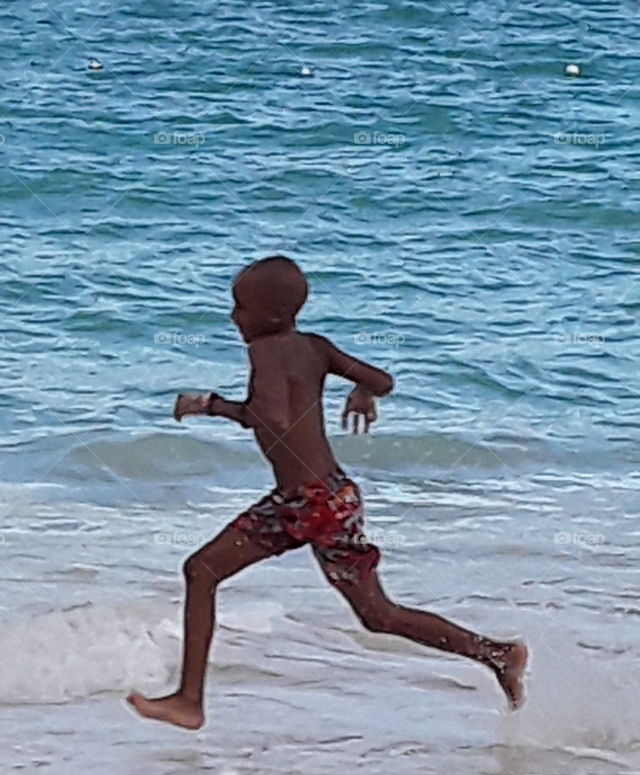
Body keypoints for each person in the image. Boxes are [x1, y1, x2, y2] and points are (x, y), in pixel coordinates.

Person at [127, 255, 526, 730]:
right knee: (377, 615)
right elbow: (382, 380)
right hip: (330, 498)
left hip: (307, 503)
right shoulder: (315, 347)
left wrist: (211, 406)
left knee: (201, 570)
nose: (233, 318)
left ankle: (190, 701)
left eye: (240, 308)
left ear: (269, 316)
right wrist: (362, 393)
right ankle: (496, 654)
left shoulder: (266, 352)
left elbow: (269, 417)